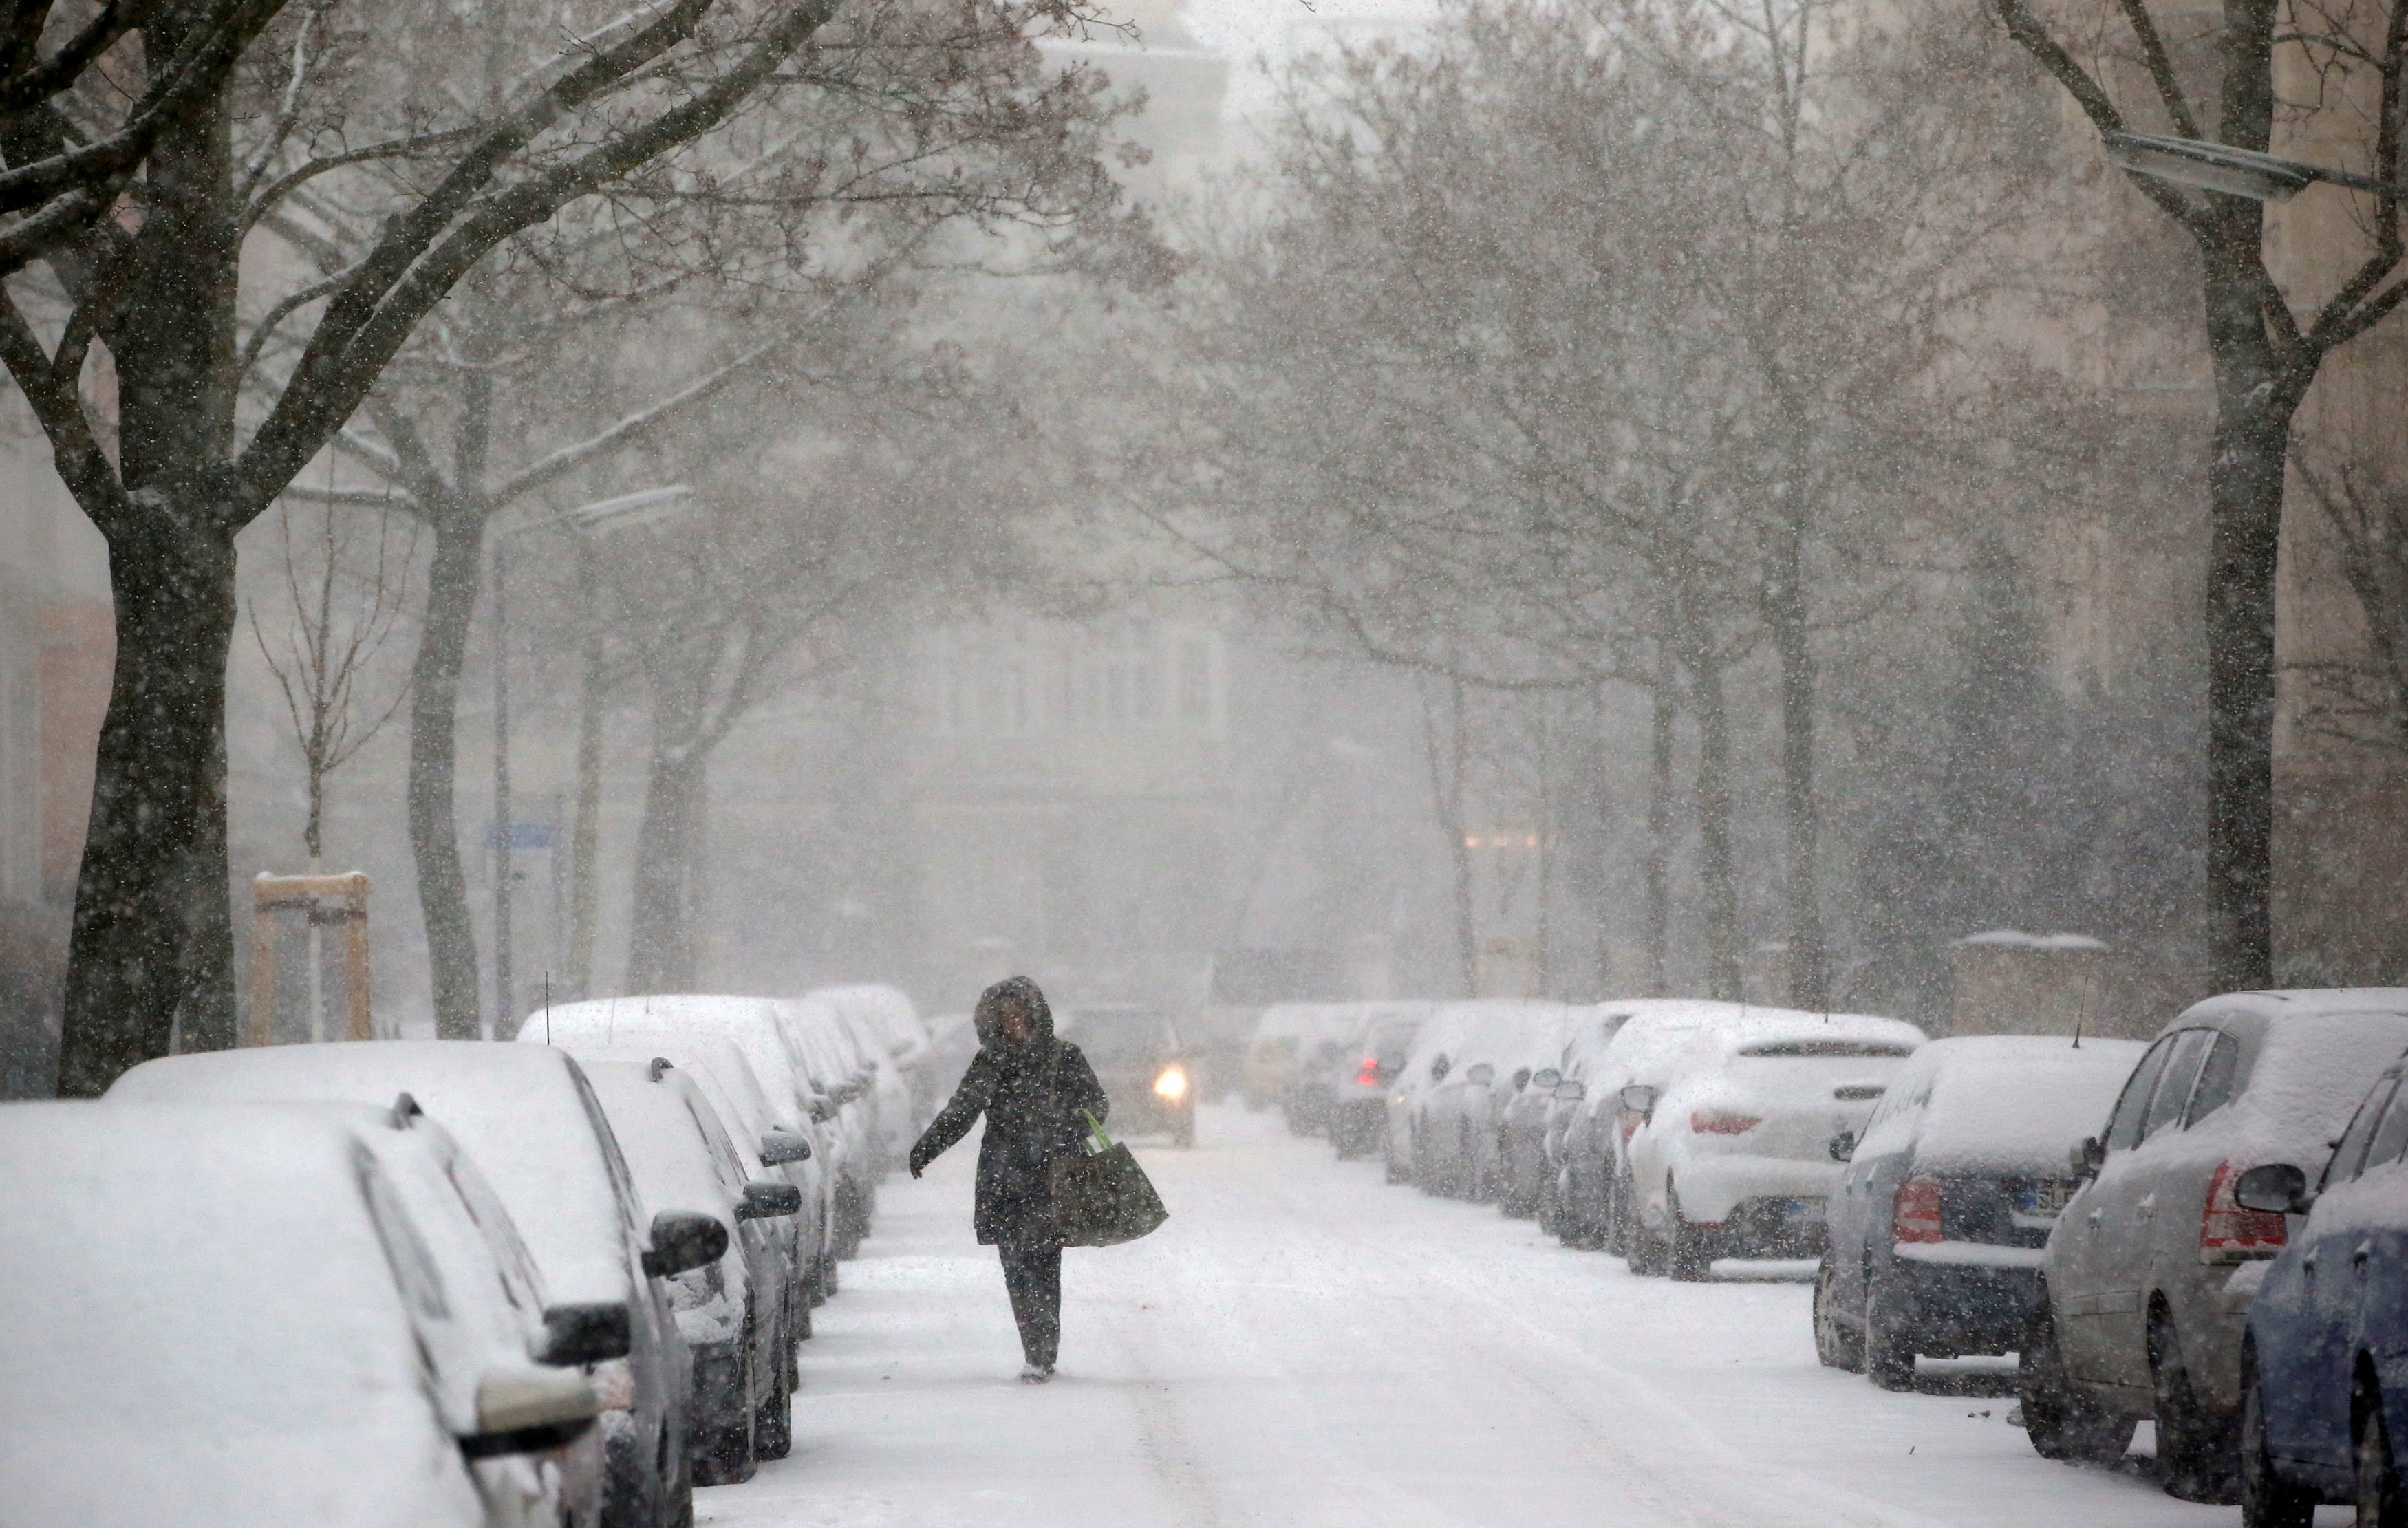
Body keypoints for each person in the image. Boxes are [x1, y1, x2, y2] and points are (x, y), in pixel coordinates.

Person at [907, 976, 1107, 1383]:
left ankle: (1042, 1353)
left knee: (1045, 1265)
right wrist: (927, 1148)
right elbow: (962, 1111)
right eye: (1004, 1018)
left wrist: (1060, 1128)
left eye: (1019, 1015)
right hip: (1005, 1178)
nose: (1013, 1024)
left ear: (1037, 1016)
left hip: (1052, 1178)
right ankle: (1035, 1350)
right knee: (1015, 1267)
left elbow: (1096, 1105)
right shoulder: (992, 1062)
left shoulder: (1064, 1057)